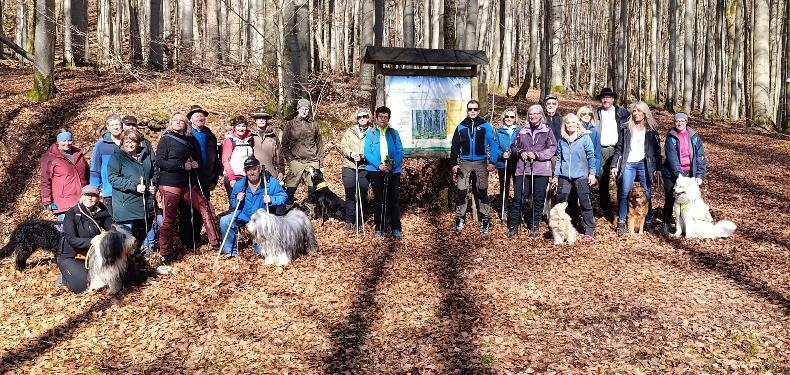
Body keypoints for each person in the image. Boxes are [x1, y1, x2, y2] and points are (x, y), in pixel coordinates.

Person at [156, 113, 221, 264]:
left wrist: (196, 163)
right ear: (171, 123)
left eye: (181, 121)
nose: (178, 123)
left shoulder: (190, 140)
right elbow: (159, 161)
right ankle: (165, 251)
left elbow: (196, 157)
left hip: (188, 183)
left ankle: (216, 242)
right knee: (169, 219)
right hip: (170, 184)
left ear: (186, 124)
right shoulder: (166, 139)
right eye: (175, 120)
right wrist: (181, 166)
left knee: (206, 207)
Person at [610, 101, 662, 236]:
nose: (636, 113)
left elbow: (657, 151)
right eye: (634, 111)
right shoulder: (626, 127)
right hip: (629, 163)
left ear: (645, 113)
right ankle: (622, 221)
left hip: (645, 163)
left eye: (639, 111)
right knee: (624, 192)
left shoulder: (651, 130)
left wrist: (658, 168)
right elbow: (619, 148)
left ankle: (649, 221)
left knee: (647, 193)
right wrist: (614, 164)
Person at [219, 157, 287, 257]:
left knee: (261, 252)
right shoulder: (240, 184)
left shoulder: (270, 182)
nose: (252, 173)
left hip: (261, 219)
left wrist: (272, 199)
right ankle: (231, 252)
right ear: (245, 171)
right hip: (244, 215)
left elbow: (283, 196)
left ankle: (258, 243)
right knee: (225, 221)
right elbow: (233, 202)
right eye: (248, 170)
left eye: (254, 169)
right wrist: (237, 199)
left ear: (259, 169)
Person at [507, 104, 557, 238]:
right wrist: (521, 152)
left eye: (536, 114)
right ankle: (513, 225)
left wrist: (537, 155)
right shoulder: (522, 130)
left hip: (541, 170)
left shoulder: (547, 130)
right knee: (519, 197)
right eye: (530, 114)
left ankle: (534, 225)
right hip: (523, 168)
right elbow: (513, 146)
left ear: (541, 115)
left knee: (539, 198)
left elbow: (552, 148)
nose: (533, 116)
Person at [450, 99, 499, 234]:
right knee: (461, 190)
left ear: (478, 111)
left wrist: (492, 162)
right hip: (464, 163)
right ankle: (460, 218)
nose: (472, 111)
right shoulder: (461, 126)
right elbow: (455, 146)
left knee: (482, 191)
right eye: (470, 109)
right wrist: (454, 163)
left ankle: (485, 219)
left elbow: (493, 144)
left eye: (475, 109)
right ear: (467, 111)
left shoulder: (485, 126)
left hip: (481, 162)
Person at [55, 185, 113, 293]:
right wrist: (91, 241)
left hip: (91, 254)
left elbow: (112, 227)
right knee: (82, 287)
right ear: (82, 196)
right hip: (71, 255)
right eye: (87, 195)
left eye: (93, 195)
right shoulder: (72, 213)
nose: (90, 198)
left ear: (98, 198)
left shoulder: (101, 210)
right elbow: (71, 239)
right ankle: (64, 278)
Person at [550, 114, 598, 241]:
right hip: (564, 176)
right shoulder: (562, 140)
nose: (570, 125)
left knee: (584, 201)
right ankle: (562, 228)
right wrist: (556, 176)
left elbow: (591, 157)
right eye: (567, 123)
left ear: (577, 124)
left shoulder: (585, 138)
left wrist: (592, 174)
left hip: (581, 175)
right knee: (561, 201)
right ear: (564, 125)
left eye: (573, 122)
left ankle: (589, 228)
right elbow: (559, 159)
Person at [107, 129, 157, 249]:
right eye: (127, 142)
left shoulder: (145, 154)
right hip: (126, 202)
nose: (130, 144)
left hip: (146, 199)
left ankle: (146, 251)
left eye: (133, 141)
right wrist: (134, 186)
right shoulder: (117, 156)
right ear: (122, 142)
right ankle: (126, 258)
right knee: (125, 235)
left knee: (151, 226)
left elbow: (154, 171)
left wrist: (153, 184)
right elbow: (113, 178)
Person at [660, 112, 707, 235]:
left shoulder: (694, 136)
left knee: (690, 199)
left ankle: (690, 224)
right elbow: (672, 157)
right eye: (677, 121)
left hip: (690, 172)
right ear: (674, 122)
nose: (679, 123)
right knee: (671, 197)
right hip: (672, 172)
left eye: (682, 121)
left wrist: (699, 175)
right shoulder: (671, 136)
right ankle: (665, 222)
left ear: (686, 122)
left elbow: (700, 155)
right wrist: (680, 176)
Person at [181, 105, 221, 248]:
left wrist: (214, 177)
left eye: (202, 115)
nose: (200, 117)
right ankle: (188, 239)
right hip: (189, 179)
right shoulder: (186, 135)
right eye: (196, 115)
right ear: (190, 118)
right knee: (189, 210)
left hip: (206, 178)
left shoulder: (210, 135)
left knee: (204, 208)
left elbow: (215, 159)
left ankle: (197, 236)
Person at [364, 106, 404, 238]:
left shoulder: (393, 133)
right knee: (379, 199)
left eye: (385, 117)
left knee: (394, 199)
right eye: (380, 116)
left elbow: (399, 151)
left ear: (388, 118)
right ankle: (379, 227)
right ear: (376, 118)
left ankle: (396, 228)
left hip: (393, 171)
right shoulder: (371, 133)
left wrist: (393, 165)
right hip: (376, 170)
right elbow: (367, 153)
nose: (383, 119)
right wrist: (379, 165)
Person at [281, 98, 324, 213]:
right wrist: (290, 160)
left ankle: (310, 210)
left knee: (312, 188)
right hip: (297, 161)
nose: (304, 111)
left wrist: (321, 163)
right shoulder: (290, 124)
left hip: (312, 160)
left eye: (307, 109)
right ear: (298, 109)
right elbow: (284, 145)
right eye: (302, 109)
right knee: (290, 187)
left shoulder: (314, 125)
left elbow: (320, 144)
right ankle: (288, 207)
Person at [594, 88, 630, 221]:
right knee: (602, 181)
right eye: (603, 97)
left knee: (621, 180)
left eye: (608, 97)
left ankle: (622, 211)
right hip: (601, 149)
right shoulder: (596, 113)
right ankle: (607, 210)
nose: (606, 100)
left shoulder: (622, 113)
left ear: (613, 99)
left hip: (617, 149)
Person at [40, 129, 90, 224]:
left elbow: (87, 175)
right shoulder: (50, 157)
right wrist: (47, 202)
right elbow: (45, 180)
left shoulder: (78, 154)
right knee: (65, 232)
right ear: (58, 141)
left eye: (69, 140)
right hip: (62, 202)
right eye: (64, 140)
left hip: (82, 200)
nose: (67, 143)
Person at [340, 108, 372, 230]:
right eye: (359, 117)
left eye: (364, 116)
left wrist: (363, 156)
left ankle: (359, 221)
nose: (362, 119)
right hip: (349, 166)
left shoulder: (372, 132)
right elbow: (343, 145)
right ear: (357, 119)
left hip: (364, 167)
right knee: (350, 193)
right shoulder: (350, 131)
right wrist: (351, 153)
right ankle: (349, 220)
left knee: (362, 194)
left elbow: (374, 149)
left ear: (368, 118)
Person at [90, 114, 123, 215]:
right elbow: (95, 169)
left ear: (122, 126)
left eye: (117, 124)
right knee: (114, 224)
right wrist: (95, 189)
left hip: (128, 191)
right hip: (109, 191)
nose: (115, 127)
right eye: (112, 125)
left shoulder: (128, 143)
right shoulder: (101, 145)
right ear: (108, 128)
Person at [494, 109, 520, 223]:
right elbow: (495, 148)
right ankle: (504, 211)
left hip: (516, 163)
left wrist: (516, 152)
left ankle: (517, 211)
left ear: (515, 119)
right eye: (507, 117)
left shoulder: (519, 131)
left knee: (518, 188)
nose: (509, 119)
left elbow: (522, 146)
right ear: (503, 118)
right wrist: (501, 154)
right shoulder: (499, 132)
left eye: (512, 117)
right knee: (504, 187)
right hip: (502, 164)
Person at [221, 116, 255, 201]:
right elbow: (225, 160)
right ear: (234, 127)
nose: (241, 128)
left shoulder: (249, 140)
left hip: (247, 176)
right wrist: (231, 178)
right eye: (238, 126)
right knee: (235, 204)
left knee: (247, 204)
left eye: (243, 126)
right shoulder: (230, 140)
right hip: (234, 176)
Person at [249, 107, 285, 182]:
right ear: (255, 120)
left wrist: (281, 171)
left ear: (266, 120)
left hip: (271, 172)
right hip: (253, 174)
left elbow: (279, 155)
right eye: (259, 118)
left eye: (263, 118)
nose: (261, 120)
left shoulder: (273, 136)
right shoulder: (249, 136)